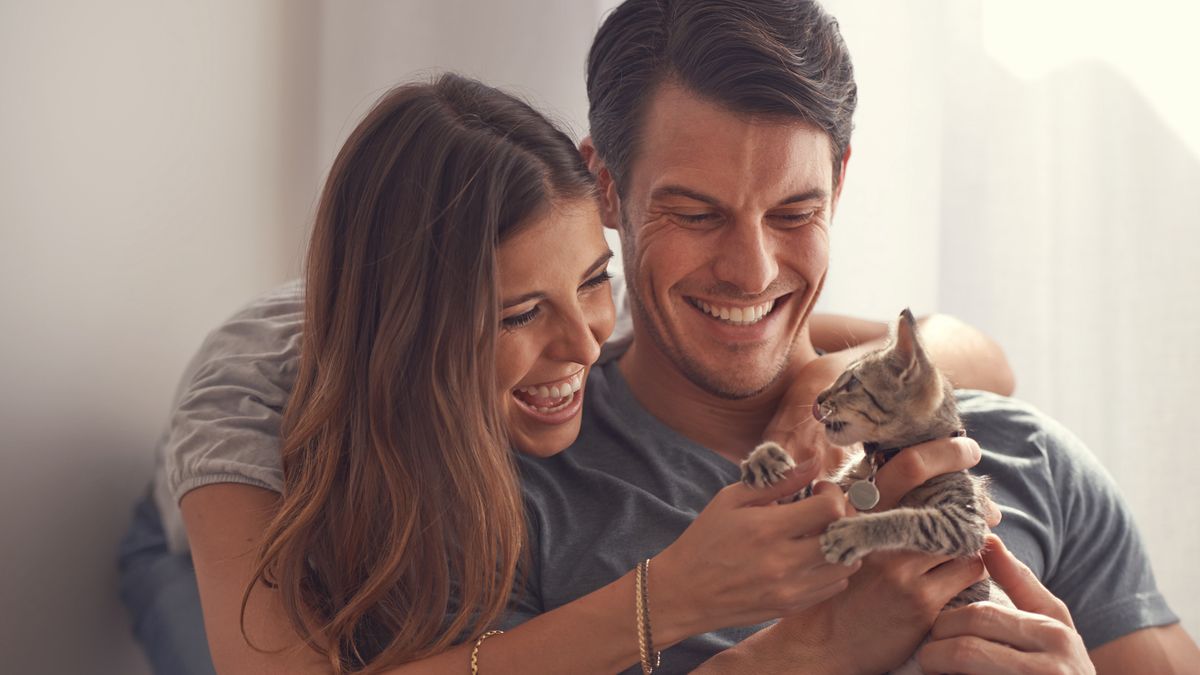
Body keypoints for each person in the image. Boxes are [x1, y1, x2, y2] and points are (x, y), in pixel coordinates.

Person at [120, 1, 1196, 673]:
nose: (752, 272)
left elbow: (968, 355)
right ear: (609, 184)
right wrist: (799, 646)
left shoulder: (1020, 455)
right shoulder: (471, 502)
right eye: (694, 213)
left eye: (793, 213)